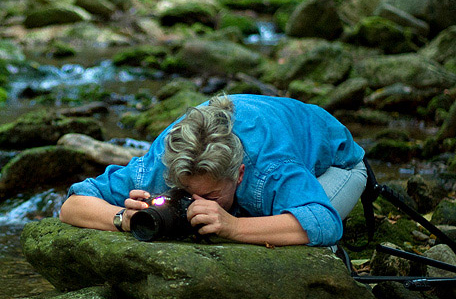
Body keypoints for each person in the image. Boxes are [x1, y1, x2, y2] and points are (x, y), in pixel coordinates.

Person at [59, 94, 367, 247]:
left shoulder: (271, 168)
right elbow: (71, 206)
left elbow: (323, 222)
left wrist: (233, 227)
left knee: (291, 243)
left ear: (240, 175)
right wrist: (122, 219)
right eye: (185, 192)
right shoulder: (160, 164)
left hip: (337, 164)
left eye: (210, 195)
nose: (195, 203)